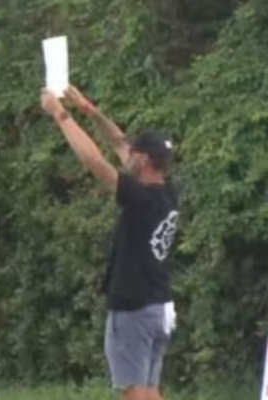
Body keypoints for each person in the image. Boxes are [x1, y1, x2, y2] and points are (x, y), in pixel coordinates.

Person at [40, 86, 179, 400]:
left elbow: (94, 161)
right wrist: (87, 108)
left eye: (134, 152)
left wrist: (61, 115)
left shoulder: (139, 197)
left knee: (134, 393)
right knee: (150, 391)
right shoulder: (168, 191)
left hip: (133, 308)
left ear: (144, 160)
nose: (127, 152)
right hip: (158, 308)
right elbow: (118, 141)